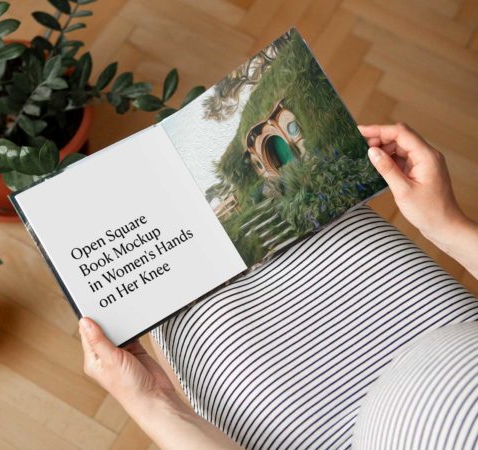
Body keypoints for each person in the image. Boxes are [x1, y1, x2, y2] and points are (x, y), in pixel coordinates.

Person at [78, 123, 478, 450]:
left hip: (310, 425)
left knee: (175, 286)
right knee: (303, 210)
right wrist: (446, 225)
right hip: (436, 322)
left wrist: (150, 401)